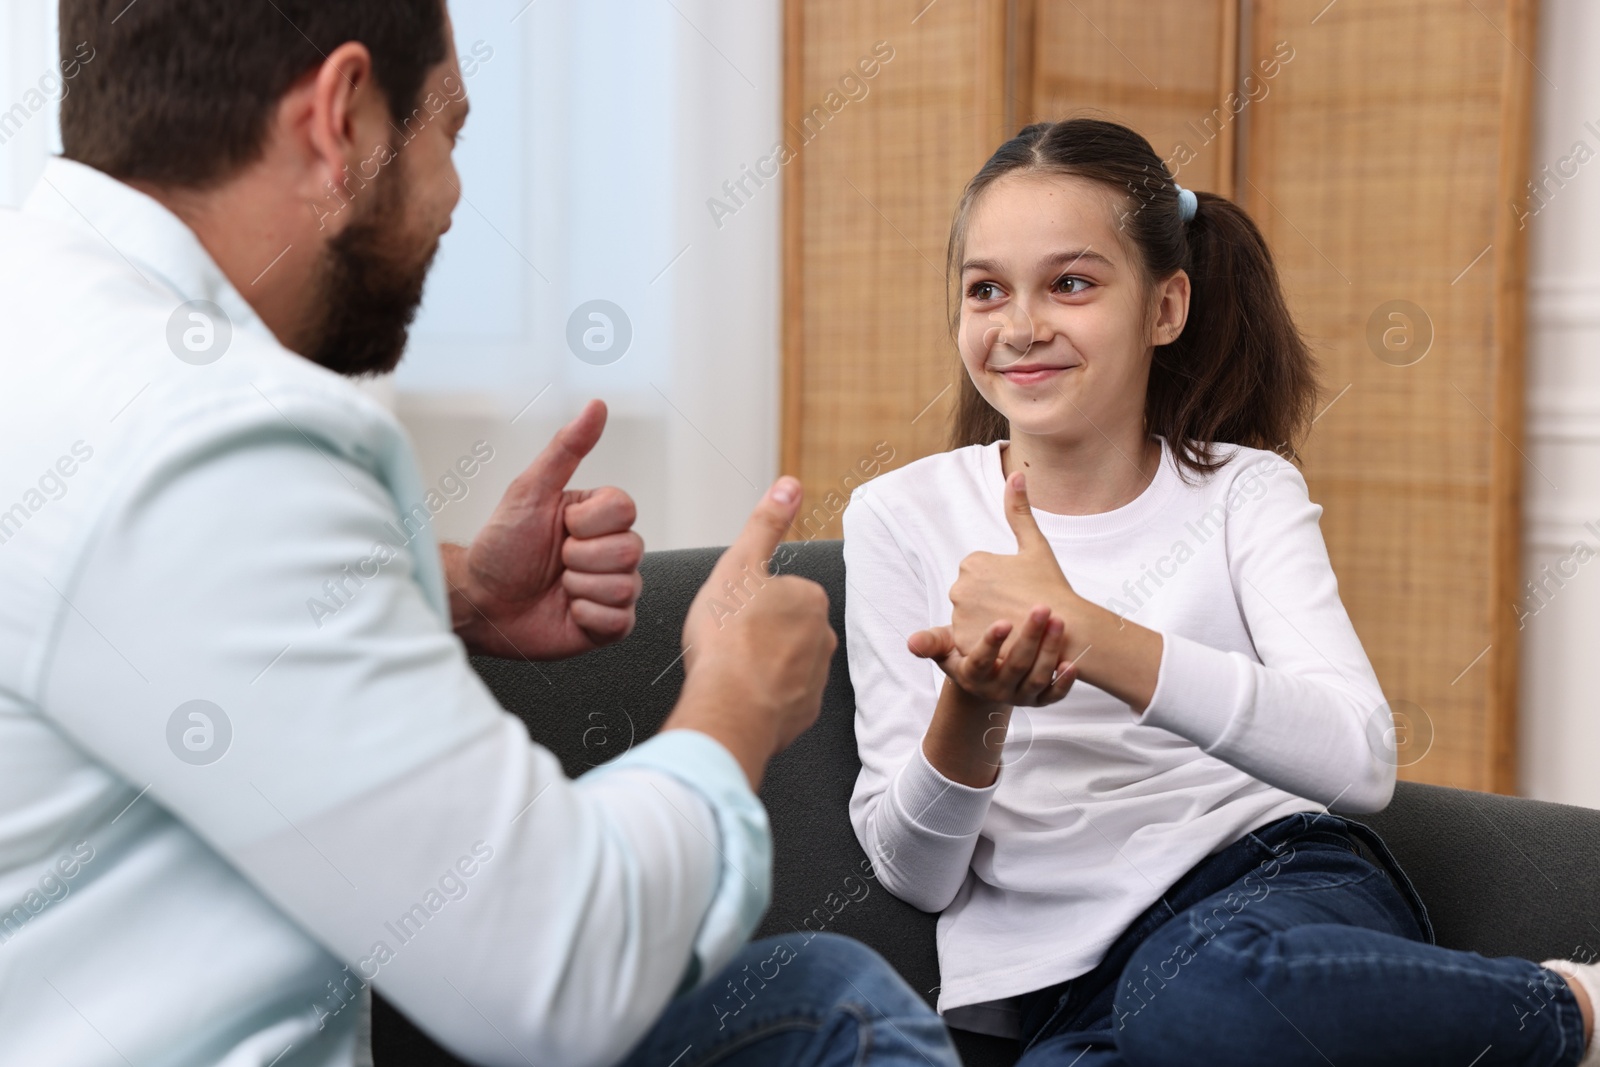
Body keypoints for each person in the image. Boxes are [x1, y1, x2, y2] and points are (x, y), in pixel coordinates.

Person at [0, 2, 960, 1066]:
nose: (455, 199)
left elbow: (145, 608)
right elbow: (558, 973)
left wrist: (452, 588)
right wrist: (737, 693)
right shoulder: (208, 431)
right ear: (340, 118)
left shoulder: (49, 335)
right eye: (448, 135)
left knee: (821, 995)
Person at [842, 117, 1600, 1066]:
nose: (1021, 324)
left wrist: (1096, 636)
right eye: (986, 288)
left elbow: (1360, 758)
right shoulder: (896, 516)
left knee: (1202, 993)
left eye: (1071, 283)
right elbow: (915, 872)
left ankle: (1575, 1009)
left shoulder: (1242, 491)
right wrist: (974, 703)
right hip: (1053, 997)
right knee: (1172, 1015)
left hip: (1267, 893)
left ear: (1166, 307)